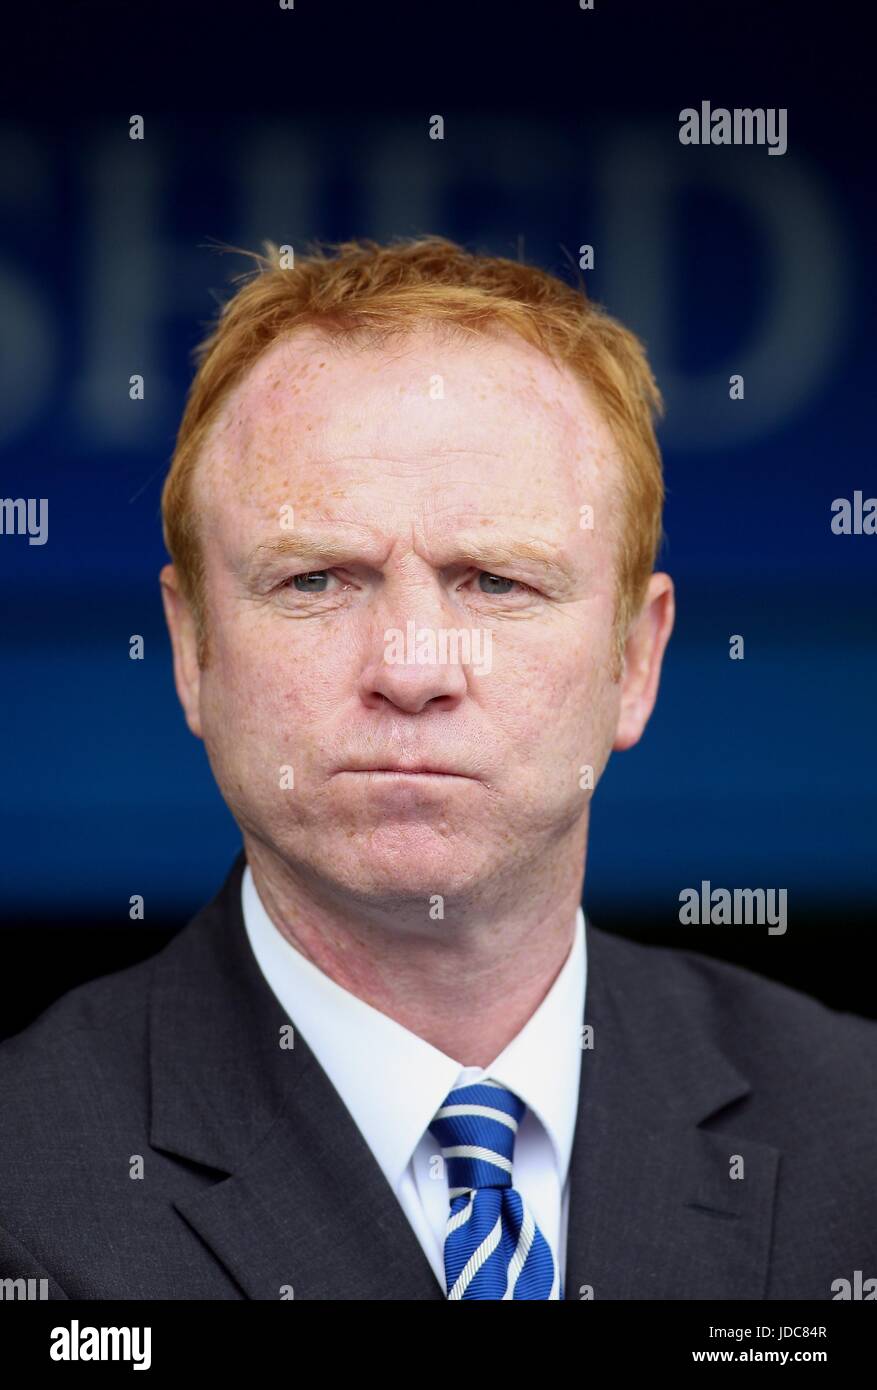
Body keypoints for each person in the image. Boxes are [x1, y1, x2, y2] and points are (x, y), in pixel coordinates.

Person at [1, 237, 874, 1301]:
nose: (412, 669)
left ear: (634, 660)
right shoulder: (26, 1185)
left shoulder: (855, 1132)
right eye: (316, 578)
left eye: (496, 581)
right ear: (190, 650)